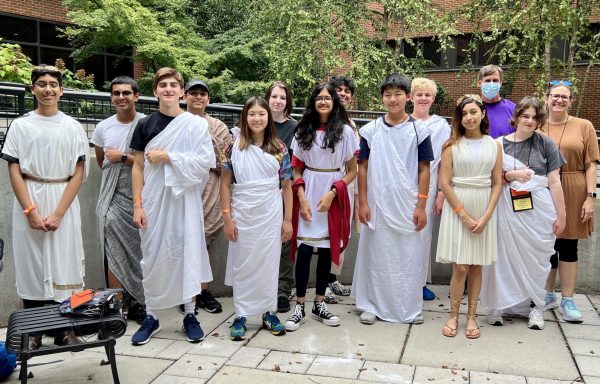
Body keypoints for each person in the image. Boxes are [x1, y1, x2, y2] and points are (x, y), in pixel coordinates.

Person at [1, 64, 89, 349]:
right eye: (41, 83)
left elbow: (78, 172)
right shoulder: (21, 125)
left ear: (61, 90)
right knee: (32, 264)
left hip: (63, 199)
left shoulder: (73, 127)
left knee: (65, 261)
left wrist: (60, 212)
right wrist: (31, 211)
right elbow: (14, 169)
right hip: (31, 198)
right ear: (32, 89)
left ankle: (64, 329)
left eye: (53, 84)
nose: (48, 89)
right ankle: (34, 332)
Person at [129, 67, 216, 345]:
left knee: (187, 252)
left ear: (181, 91)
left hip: (185, 201)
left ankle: (190, 314)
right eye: (163, 85)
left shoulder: (195, 124)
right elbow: (138, 166)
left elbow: (205, 162)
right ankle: (152, 316)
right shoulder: (144, 125)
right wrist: (137, 205)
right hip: (153, 199)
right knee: (152, 255)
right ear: (155, 91)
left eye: (173, 85)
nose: (168, 89)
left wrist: (169, 156)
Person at [352, 74, 433, 325]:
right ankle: (371, 304)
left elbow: (424, 168)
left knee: (408, 255)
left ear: (408, 96)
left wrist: (421, 205)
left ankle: (408, 305)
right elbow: (362, 167)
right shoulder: (371, 130)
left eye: (398, 93)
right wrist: (363, 202)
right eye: (387, 94)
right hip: (378, 203)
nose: (393, 99)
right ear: (382, 98)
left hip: (408, 203)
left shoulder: (419, 130)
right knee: (376, 254)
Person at [480, 96, 566, 330]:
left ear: (540, 121)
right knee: (502, 256)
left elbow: (554, 181)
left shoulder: (546, 143)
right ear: (516, 116)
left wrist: (562, 215)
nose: (529, 121)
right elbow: (489, 178)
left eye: (535, 117)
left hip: (538, 208)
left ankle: (535, 306)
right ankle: (498, 304)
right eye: (525, 116)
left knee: (536, 258)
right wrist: (511, 176)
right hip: (506, 206)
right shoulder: (498, 144)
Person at [284, 83, 358, 331]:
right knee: (305, 249)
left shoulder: (346, 132)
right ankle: (300, 306)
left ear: (335, 102)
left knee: (327, 249)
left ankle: (319, 303)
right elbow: (296, 168)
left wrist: (334, 192)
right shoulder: (302, 129)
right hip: (310, 189)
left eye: (328, 98)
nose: (324, 102)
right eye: (319, 98)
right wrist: (302, 199)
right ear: (313, 102)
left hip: (333, 193)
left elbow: (353, 171)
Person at [220, 96, 293, 340]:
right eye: (252, 114)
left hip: (270, 212)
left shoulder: (280, 148)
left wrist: (288, 220)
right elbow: (225, 184)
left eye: (261, 114)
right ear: (245, 117)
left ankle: (268, 312)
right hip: (242, 211)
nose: (257, 118)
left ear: (268, 117)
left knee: (269, 263)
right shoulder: (233, 147)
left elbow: (287, 186)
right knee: (243, 263)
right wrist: (227, 218)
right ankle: (240, 314)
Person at [436, 94, 503, 339]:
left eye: (473, 112)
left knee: (476, 267)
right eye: (464, 114)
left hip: (484, 206)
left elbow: (497, 183)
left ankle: (472, 316)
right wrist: (462, 214)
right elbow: (444, 183)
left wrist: (486, 216)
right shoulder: (451, 145)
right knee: (461, 266)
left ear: (483, 114)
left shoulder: (494, 145)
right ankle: (453, 314)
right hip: (458, 207)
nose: (469, 117)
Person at [539, 80, 600, 323]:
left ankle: (568, 298)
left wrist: (589, 196)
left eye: (564, 97)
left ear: (571, 101)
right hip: (543, 190)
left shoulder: (584, 126)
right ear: (546, 99)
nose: (559, 100)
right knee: (546, 245)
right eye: (555, 96)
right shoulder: (538, 125)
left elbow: (591, 164)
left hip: (574, 189)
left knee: (568, 246)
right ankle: (545, 294)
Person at [92, 76, 146, 324]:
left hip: (141, 194)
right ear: (111, 97)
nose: (121, 97)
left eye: (126, 92)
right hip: (112, 195)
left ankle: (139, 301)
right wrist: (116, 160)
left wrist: (123, 157)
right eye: (116, 93)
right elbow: (102, 160)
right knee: (113, 248)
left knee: (139, 248)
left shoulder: (146, 124)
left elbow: (150, 164)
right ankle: (117, 302)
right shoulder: (103, 127)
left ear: (136, 95)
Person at [182, 79, 232, 315]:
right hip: (183, 187)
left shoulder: (218, 126)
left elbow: (223, 160)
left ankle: (202, 290)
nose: (198, 97)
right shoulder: (176, 123)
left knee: (206, 241)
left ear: (208, 99)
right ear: (185, 96)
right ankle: (184, 292)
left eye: (202, 94)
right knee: (182, 242)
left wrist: (195, 155)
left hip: (211, 189)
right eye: (193, 93)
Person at [410, 77, 451, 302]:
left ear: (433, 98)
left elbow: (446, 160)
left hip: (432, 182)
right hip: (405, 183)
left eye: (427, 95)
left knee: (423, 234)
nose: (423, 98)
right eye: (419, 94)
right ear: (411, 97)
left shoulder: (440, 125)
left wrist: (442, 193)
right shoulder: (404, 123)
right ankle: (403, 279)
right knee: (404, 233)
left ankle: (420, 282)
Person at [323, 75, 359, 304]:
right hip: (327, 182)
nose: (343, 94)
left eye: (347, 91)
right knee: (326, 235)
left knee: (341, 234)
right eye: (339, 90)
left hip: (348, 184)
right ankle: (323, 285)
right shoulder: (324, 120)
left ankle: (332, 277)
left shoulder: (351, 124)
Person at [266, 81, 297, 313]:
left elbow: (296, 163)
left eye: (282, 98)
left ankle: (283, 290)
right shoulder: (257, 124)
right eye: (274, 96)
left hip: (284, 190)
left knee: (285, 240)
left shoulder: (294, 128)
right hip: (259, 193)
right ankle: (261, 287)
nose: (278, 101)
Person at [478, 65, 516, 139]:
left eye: (495, 80)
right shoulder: (471, 109)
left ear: (501, 83)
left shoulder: (514, 109)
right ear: (479, 83)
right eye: (487, 80)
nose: (491, 84)